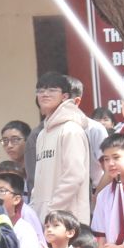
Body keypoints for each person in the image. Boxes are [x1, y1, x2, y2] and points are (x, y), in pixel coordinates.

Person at [30, 73, 92, 223]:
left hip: (68, 221)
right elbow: (38, 183)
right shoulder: (42, 134)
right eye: (40, 90)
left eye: (51, 89)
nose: (45, 94)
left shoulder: (71, 130)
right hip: (45, 220)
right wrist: (33, 212)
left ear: (65, 96)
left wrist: (51, 211)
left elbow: (74, 176)